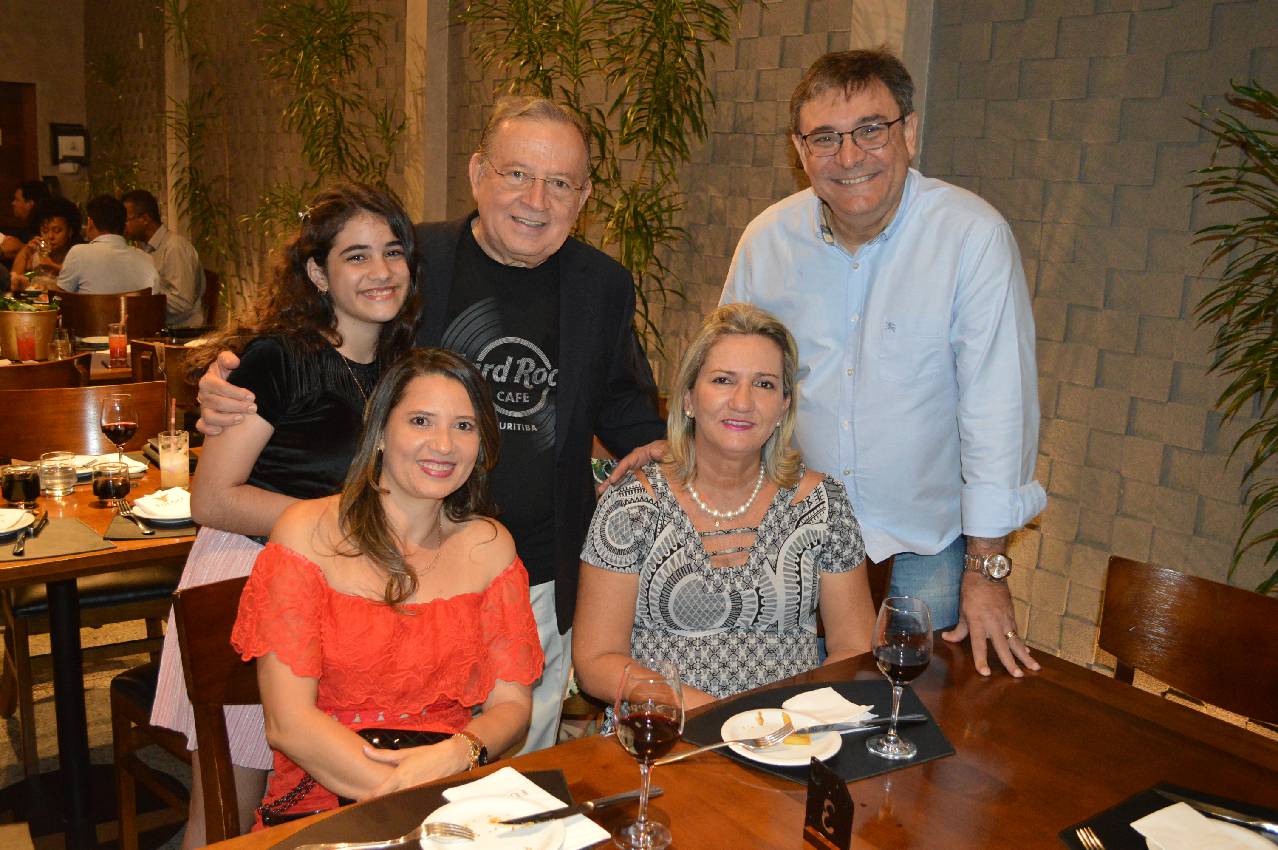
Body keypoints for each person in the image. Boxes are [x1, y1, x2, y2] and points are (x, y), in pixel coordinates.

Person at [195, 95, 666, 752]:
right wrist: (234, 370)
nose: (536, 200)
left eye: (560, 183)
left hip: (536, 574)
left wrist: (678, 453)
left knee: (515, 767)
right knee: (389, 756)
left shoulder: (602, 284)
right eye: (517, 174)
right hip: (401, 569)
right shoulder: (415, 258)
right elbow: (329, 334)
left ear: (584, 197)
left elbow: (624, 403)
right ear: (477, 173)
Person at [719, 48, 1046, 678]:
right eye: (825, 138)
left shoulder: (971, 237)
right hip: (790, 541)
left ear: (910, 132)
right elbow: (730, 389)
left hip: (927, 550)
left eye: (870, 129)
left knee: (917, 712)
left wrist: (987, 570)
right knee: (787, 712)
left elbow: (998, 409)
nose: (849, 157)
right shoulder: (766, 242)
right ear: (800, 149)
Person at [149, 182, 419, 846]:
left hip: (345, 588)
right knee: (227, 821)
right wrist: (342, 524)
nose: (380, 271)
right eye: (355, 256)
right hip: (250, 580)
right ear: (318, 273)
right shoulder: (276, 358)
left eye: (392, 251)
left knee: (319, 805)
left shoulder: (399, 363)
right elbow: (213, 498)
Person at [232, 347, 543, 823]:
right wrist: (411, 797)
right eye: (420, 421)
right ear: (379, 432)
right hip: (328, 795)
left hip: (451, 783)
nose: (444, 444)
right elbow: (287, 723)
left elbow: (512, 704)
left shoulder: (490, 546)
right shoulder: (305, 532)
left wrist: (460, 752)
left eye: (464, 426)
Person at [573, 304, 874, 709]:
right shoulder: (632, 507)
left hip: (789, 730)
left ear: (784, 405)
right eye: (723, 380)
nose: (743, 402)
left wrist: (796, 720)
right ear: (688, 398)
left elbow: (854, 647)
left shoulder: (823, 504)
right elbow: (596, 661)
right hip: (665, 728)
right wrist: (719, 717)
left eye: (764, 384)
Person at [122, 189, 205, 327]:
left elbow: (182, 303)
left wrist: (145, 293)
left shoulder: (175, 248)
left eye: (126, 220)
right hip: (159, 329)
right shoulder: (145, 249)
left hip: (182, 331)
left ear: (145, 219)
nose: (122, 226)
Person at [55, 194, 160, 294]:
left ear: (90, 223)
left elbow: (58, 299)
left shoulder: (78, 253)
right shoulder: (147, 260)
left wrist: (49, 299)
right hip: (137, 308)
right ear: (123, 226)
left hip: (91, 308)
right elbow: (155, 298)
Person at [8, 196, 82, 291]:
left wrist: (52, 265)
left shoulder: (76, 256)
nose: (50, 236)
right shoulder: (36, 256)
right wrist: (25, 252)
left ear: (70, 231)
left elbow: (78, 279)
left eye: (57, 230)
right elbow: (14, 283)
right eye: (45, 231)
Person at [1, 180, 51, 266]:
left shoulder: (40, 231)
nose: (13, 203)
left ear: (29, 204)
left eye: (17, 199)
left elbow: (41, 266)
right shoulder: (25, 229)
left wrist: (22, 248)